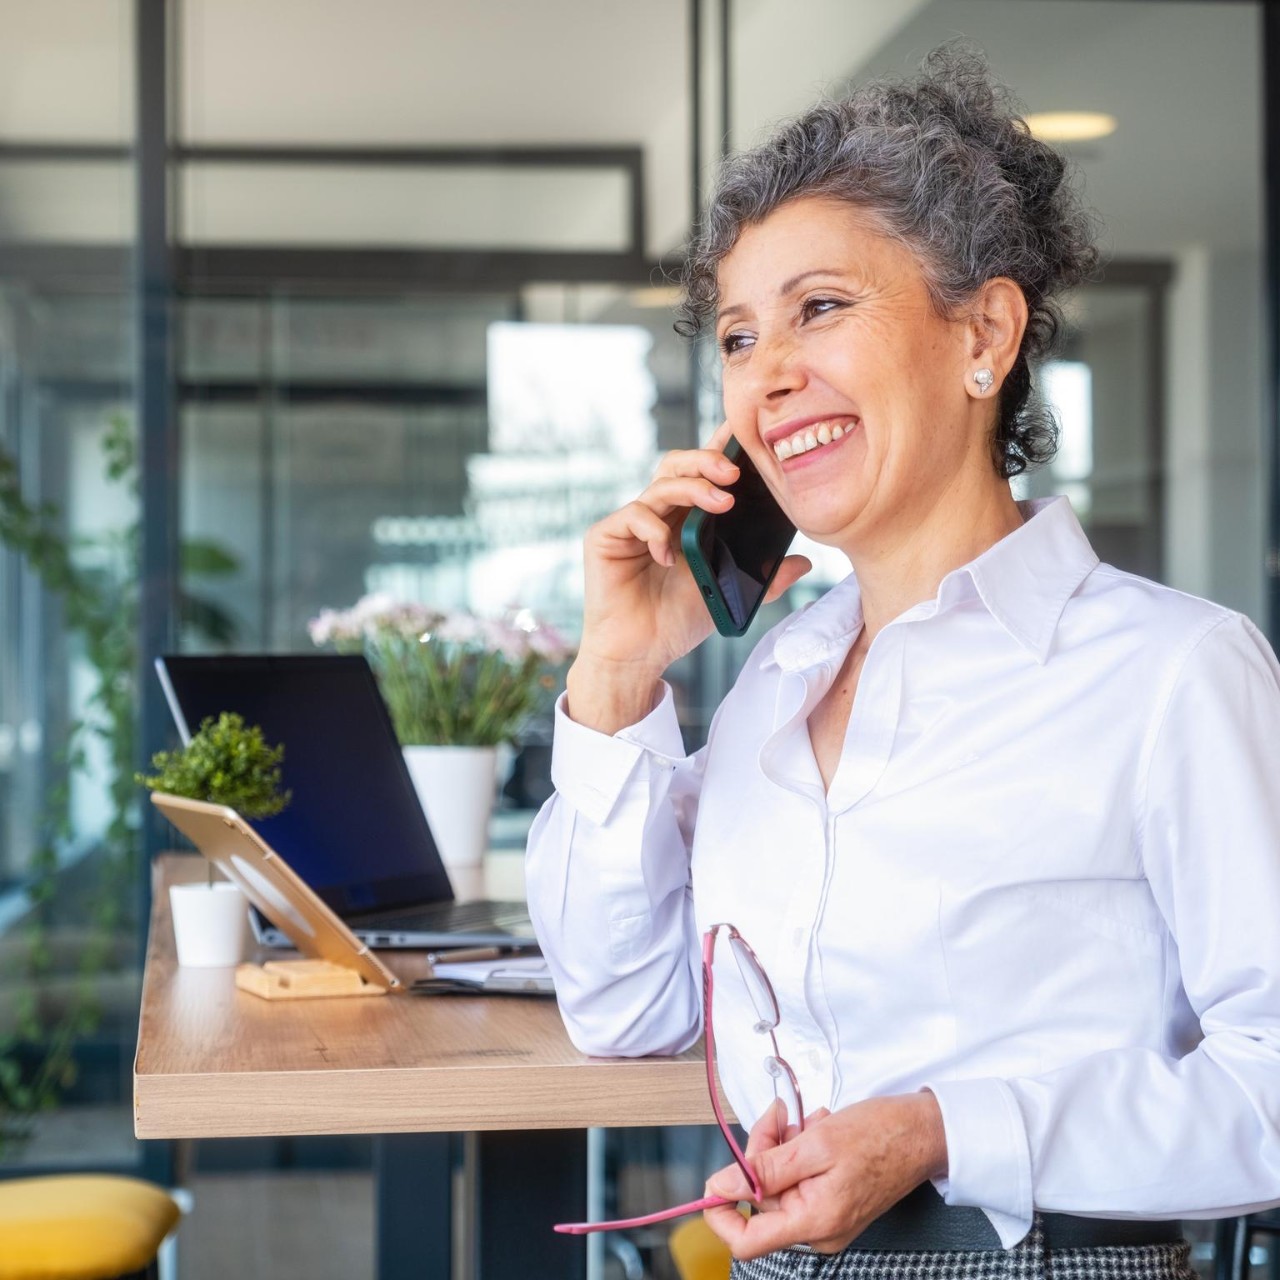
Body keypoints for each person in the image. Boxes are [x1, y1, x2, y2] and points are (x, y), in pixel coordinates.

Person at [525, 46, 1280, 1280]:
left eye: (818, 308)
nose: (767, 373)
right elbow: (628, 1009)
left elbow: (1265, 1086)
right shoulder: (777, 683)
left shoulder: (1174, 670)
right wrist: (614, 676)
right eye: (735, 334)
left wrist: (938, 1130)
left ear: (982, 332)